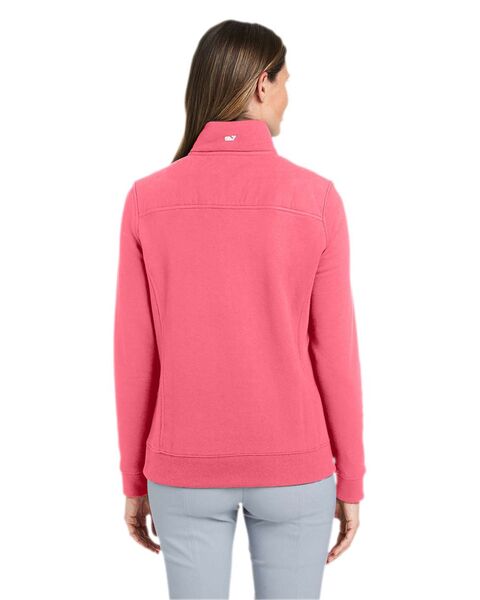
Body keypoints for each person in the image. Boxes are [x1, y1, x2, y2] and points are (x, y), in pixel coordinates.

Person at [113, 19, 366, 600]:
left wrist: (133, 478)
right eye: (285, 81)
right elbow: (336, 354)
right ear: (260, 84)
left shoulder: (147, 200)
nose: (288, 96)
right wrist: (350, 477)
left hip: (183, 469)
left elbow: (135, 356)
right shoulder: (317, 198)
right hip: (295, 468)